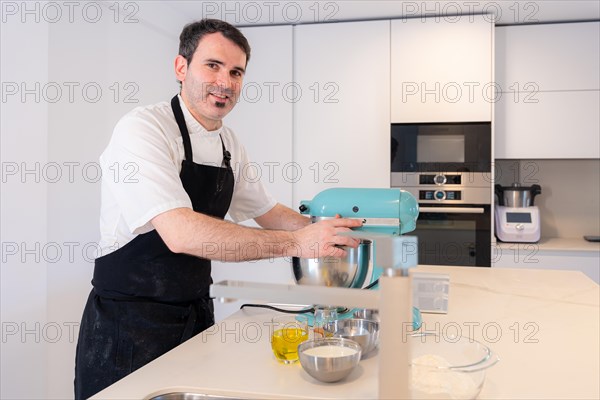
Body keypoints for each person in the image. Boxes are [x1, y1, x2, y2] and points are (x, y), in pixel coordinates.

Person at [74, 18, 361, 399]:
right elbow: (181, 233)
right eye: (213, 65)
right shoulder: (143, 130)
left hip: (194, 316)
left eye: (236, 72)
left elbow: (268, 211)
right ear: (181, 67)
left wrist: (328, 230)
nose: (225, 82)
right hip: (127, 328)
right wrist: (298, 244)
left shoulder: (228, 144)